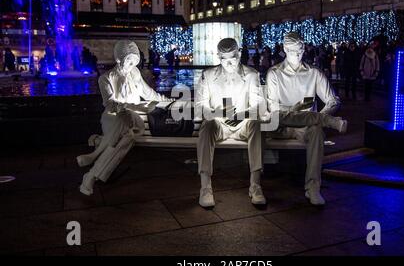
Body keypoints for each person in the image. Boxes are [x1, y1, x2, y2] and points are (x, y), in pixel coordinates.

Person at [77, 40, 174, 196]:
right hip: (112, 118)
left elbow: (149, 94)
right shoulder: (105, 78)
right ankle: (92, 176)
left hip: (134, 118)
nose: (132, 64)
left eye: (135, 61)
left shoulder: (135, 73)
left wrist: (169, 102)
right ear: (118, 59)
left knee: (127, 118)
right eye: (129, 60)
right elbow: (110, 106)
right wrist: (136, 106)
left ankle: (93, 163)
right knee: (127, 136)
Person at [266, 32, 348, 206]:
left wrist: (318, 118)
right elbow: (274, 109)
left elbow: (333, 100)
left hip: (306, 128)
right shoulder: (274, 73)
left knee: (316, 130)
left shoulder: (314, 73)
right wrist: (302, 114)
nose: (298, 54)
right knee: (282, 115)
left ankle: (313, 187)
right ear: (285, 49)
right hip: (281, 125)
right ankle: (326, 121)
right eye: (294, 51)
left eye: (301, 50)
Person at [195, 38, 267, 208]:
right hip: (220, 124)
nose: (229, 63)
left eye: (232, 58)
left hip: (243, 123)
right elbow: (200, 107)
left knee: (256, 124)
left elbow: (259, 105)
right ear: (218, 57)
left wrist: (242, 115)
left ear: (239, 54)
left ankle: (255, 184)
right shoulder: (208, 75)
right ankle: (205, 187)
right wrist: (218, 114)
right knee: (207, 126)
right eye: (224, 59)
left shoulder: (252, 75)